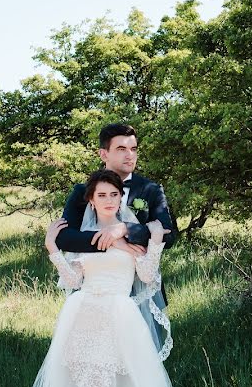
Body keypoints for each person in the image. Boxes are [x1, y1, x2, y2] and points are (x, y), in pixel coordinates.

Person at [31, 169, 175, 387]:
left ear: (120, 198)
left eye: (114, 194)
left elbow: (146, 276)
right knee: (86, 382)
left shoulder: (132, 234)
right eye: (102, 195)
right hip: (83, 312)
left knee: (116, 379)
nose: (109, 200)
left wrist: (155, 242)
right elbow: (73, 280)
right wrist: (52, 248)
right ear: (91, 200)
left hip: (119, 313)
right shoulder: (84, 236)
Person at [55, 123, 178, 347]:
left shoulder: (151, 190)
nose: (130, 155)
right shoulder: (84, 192)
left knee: (139, 363)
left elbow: (169, 235)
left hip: (141, 286)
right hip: (95, 291)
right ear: (103, 153)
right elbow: (64, 237)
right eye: (121, 149)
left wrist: (125, 229)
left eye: (133, 149)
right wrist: (115, 243)